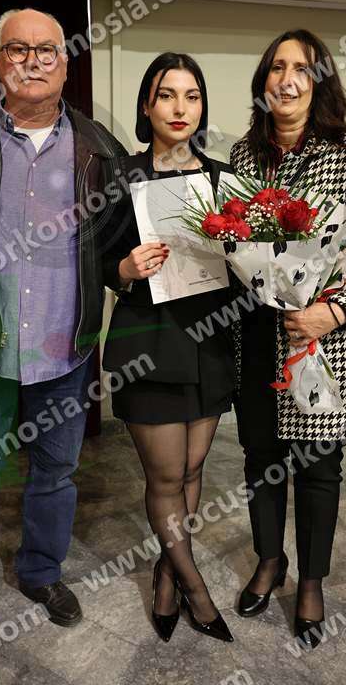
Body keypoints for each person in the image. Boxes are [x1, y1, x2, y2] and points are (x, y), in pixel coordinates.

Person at [0, 8, 126, 668]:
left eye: (47, 50)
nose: (32, 61)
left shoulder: (99, 147)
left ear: (66, 63)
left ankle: (40, 572)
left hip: (66, 348)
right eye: (18, 48)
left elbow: (117, 244)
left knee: (56, 474)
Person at [230, 29, 346, 647]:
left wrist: (337, 309)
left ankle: (311, 581)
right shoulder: (243, 156)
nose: (287, 79)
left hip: (322, 343)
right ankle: (269, 560)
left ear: (319, 79)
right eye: (277, 67)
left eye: (301, 68)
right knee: (261, 460)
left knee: (318, 468)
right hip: (256, 339)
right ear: (264, 81)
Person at [101, 52, 235, 643]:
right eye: (166, 95)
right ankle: (196, 589)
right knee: (164, 478)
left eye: (191, 96)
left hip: (210, 341)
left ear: (202, 106)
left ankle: (165, 575)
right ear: (147, 105)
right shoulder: (119, 176)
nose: (180, 108)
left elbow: (245, 267)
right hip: (148, 344)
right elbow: (94, 261)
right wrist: (124, 269)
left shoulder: (224, 179)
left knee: (192, 469)